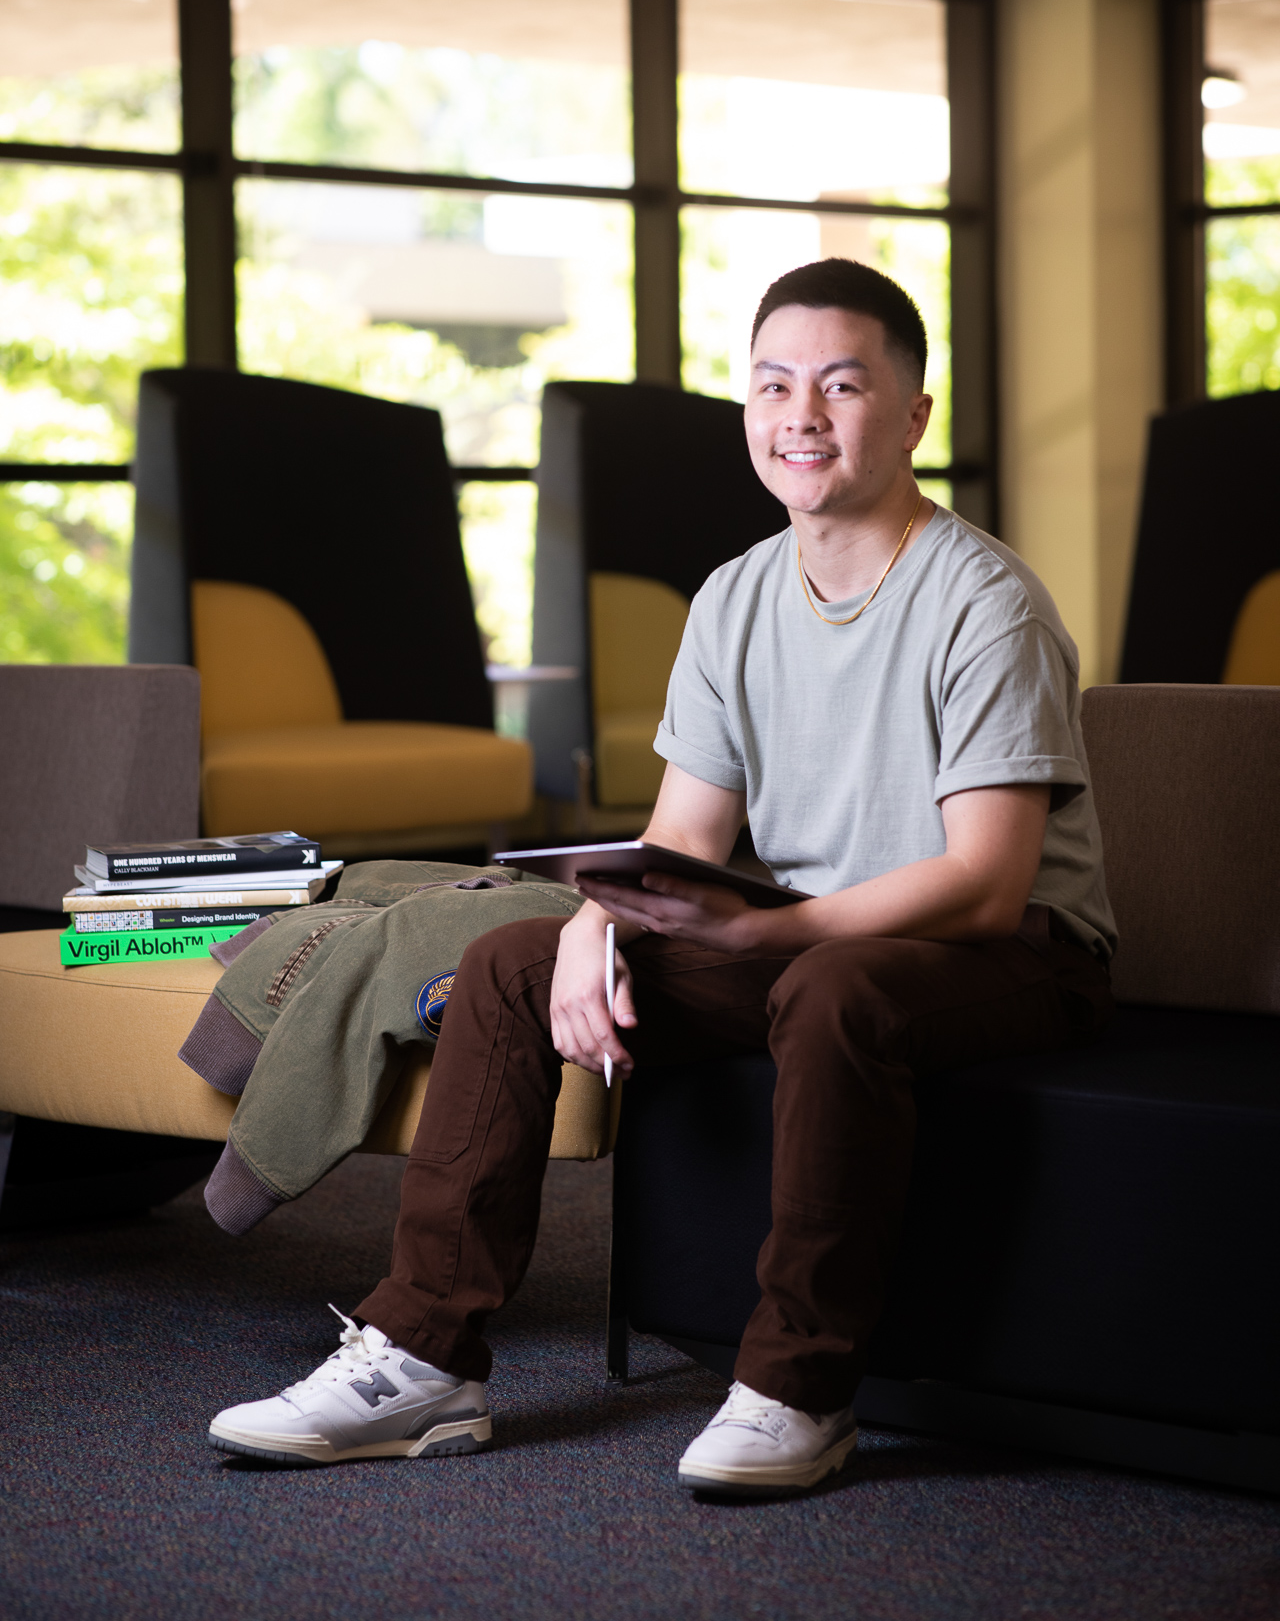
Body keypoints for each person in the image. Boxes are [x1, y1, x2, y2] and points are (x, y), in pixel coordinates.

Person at [209, 257, 1116, 1495]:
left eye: (841, 385)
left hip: (1011, 957)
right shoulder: (735, 598)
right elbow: (682, 835)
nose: (801, 412)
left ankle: (797, 1389)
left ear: (910, 416)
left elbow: (984, 886)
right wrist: (598, 926)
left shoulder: (984, 602)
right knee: (512, 959)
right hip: (815, 937)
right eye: (772, 384)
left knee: (832, 992)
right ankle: (423, 1359)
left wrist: (764, 938)